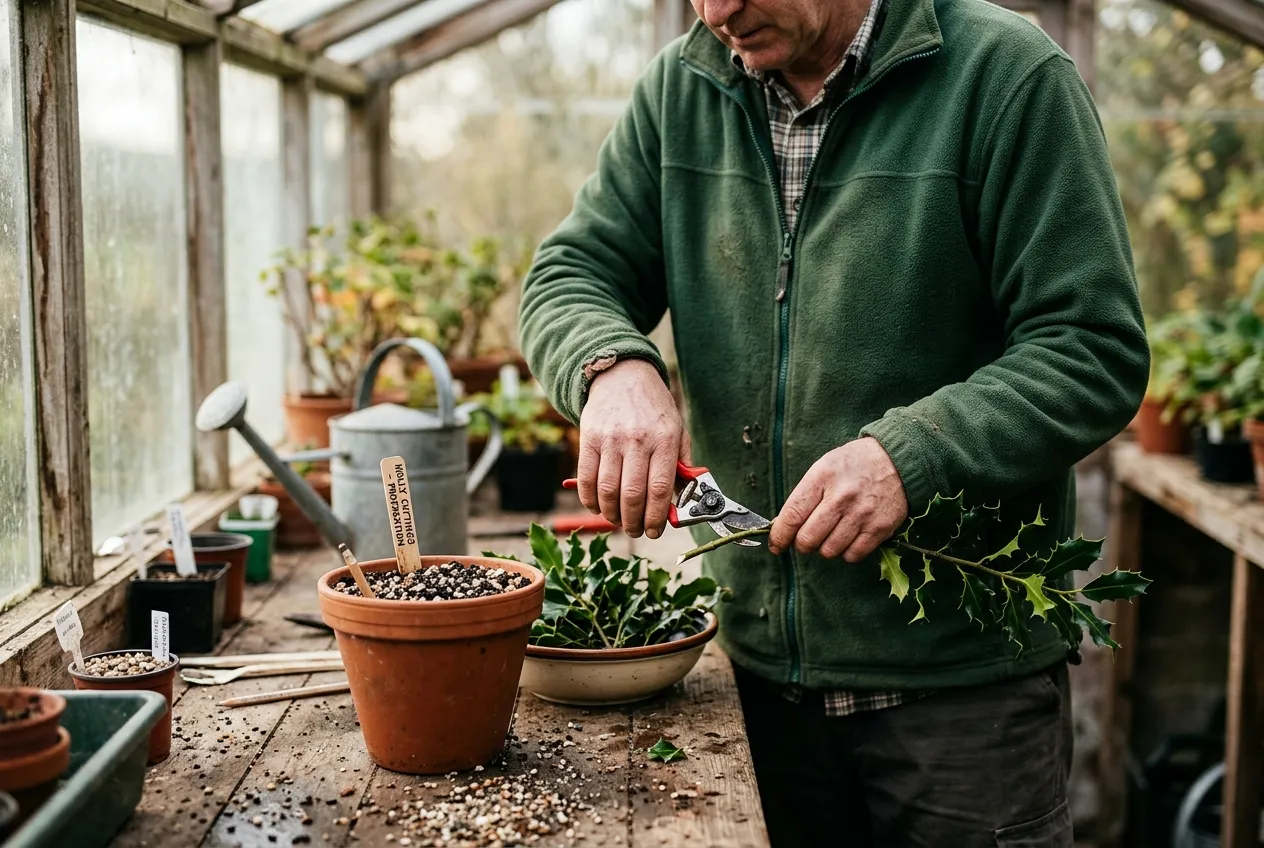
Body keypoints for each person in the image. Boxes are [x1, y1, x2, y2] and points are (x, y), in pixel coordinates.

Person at [518, 0, 1148, 843]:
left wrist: (912, 454)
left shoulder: (1004, 76)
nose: (718, 11)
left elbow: (1091, 348)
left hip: (961, 705)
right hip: (753, 687)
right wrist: (614, 365)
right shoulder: (684, 88)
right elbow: (572, 271)